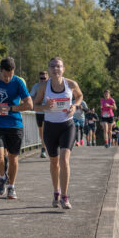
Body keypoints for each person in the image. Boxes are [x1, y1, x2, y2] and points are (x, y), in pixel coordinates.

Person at [0, 57, 33, 199]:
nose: (8, 78)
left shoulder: (18, 82)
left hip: (14, 125)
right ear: (0, 70)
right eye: (5, 75)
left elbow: (29, 104)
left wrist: (11, 108)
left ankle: (11, 186)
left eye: (11, 75)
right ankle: (3, 176)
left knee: (13, 157)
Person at [34, 57, 83, 209]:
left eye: (59, 66)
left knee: (64, 160)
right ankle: (56, 192)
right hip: (50, 127)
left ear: (64, 69)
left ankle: (65, 197)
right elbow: (35, 106)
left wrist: (75, 106)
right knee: (54, 163)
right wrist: (45, 106)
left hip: (67, 126)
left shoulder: (71, 84)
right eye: (53, 66)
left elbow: (79, 96)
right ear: (48, 69)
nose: (56, 69)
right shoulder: (43, 86)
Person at [30, 71, 49, 158]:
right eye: (41, 78)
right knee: (41, 130)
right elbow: (31, 97)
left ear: (47, 78)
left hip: (48, 111)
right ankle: (44, 145)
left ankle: (43, 149)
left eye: (44, 78)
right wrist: (36, 103)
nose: (42, 80)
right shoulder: (36, 86)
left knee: (45, 130)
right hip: (39, 111)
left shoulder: (50, 85)